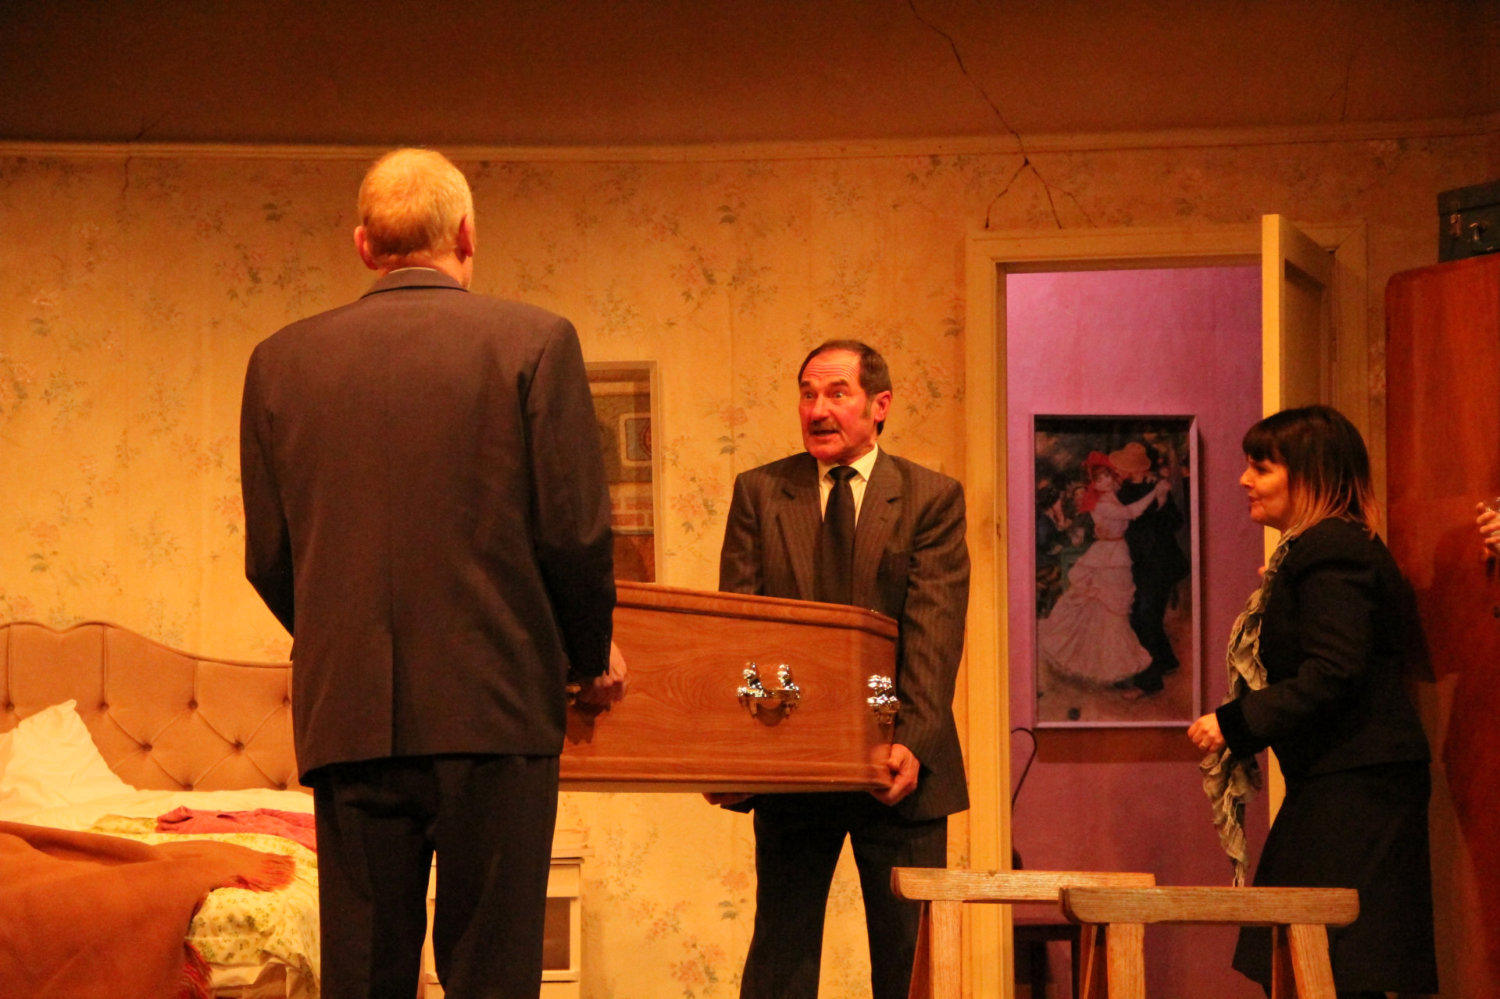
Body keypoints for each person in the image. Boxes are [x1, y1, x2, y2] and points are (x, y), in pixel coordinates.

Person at [239, 147, 625, 999]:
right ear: (467, 233)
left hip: (349, 717)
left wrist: (344, 635)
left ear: (363, 245)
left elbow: (269, 557)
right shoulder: (536, 341)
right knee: (491, 975)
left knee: (363, 974)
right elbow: (575, 534)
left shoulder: (278, 361)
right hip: (498, 708)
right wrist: (586, 654)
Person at [711, 339, 970, 999]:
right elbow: (739, 632)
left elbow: (934, 632)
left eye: (836, 393)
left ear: (879, 405)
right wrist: (733, 754)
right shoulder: (760, 493)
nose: (818, 409)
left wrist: (911, 740)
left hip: (900, 766)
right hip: (792, 766)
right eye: (807, 394)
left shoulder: (931, 497)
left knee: (908, 963)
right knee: (781, 960)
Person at [1188, 405, 1436, 999]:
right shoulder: (1317, 551)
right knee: (1304, 956)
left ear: (1310, 474)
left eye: (1261, 468)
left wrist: (1233, 722)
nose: (1245, 480)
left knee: (1330, 962)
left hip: (1358, 783)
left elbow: (1333, 670)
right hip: (1342, 778)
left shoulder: (1331, 549)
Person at [1036, 452, 1171, 689]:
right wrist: (1154, 493)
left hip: (1117, 553)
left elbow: (1128, 488)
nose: (1106, 482)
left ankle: (1116, 664)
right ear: (1093, 484)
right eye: (1099, 480)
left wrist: (1151, 480)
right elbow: (1131, 513)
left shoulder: (1110, 495)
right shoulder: (1100, 503)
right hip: (1108, 557)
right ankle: (1110, 665)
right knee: (1109, 613)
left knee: (1115, 611)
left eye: (1107, 476)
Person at [1113, 441, 1190, 696]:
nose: (1120, 470)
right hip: (1137, 564)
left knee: (1145, 617)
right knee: (1143, 617)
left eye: (1124, 466)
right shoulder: (1124, 492)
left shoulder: (1157, 488)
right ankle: (1166, 661)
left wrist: (1163, 500)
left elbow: (1175, 522)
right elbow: (1125, 522)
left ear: (1134, 468)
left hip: (1160, 564)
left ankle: (1149, 682)